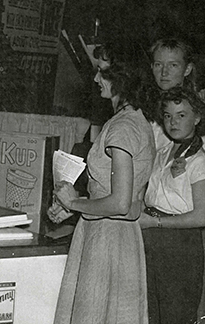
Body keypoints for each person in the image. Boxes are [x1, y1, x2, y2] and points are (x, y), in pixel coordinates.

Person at [48, 42, 156, 323]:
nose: (96, 79)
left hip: (106, 238)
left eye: (103, 72)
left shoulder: (122, 128)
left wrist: (73, 201)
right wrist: (74, 206)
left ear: (125, 77)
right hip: (120, 236)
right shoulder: (135, 121)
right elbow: (127, 199)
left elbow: (119, 202)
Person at [138, 87, 205, 324]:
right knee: (150, 313)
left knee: (175, 315)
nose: (173, 122)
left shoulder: (199, 161)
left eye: (181, 115)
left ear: (197, 118)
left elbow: (201, 217)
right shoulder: (162, 151)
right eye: (168, 115)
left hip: (180, 246)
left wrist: (155, 221)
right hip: (152, 239)